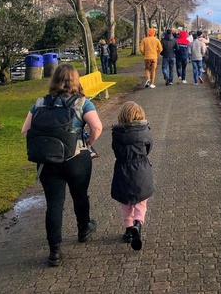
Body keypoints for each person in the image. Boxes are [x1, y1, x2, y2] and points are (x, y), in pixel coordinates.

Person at [21, 63, 103, 267]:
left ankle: (54, 251)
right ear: (76, 80)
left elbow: (25, 130)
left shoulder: (40, 103)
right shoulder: (82, 103)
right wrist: (88, 142)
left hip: (48, 161)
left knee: (54, 204)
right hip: (75, 157)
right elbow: (97, 127)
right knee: (80, 195)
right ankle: (83, 228)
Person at [111, 101, 153, 251]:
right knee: (141, 203)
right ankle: (138, 223)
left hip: (122, 170)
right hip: (141, 170)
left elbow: (115, 150)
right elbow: (149, 148)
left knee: (125, 203)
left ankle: (128, 229)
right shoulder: (145, 131)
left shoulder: (116, 133)